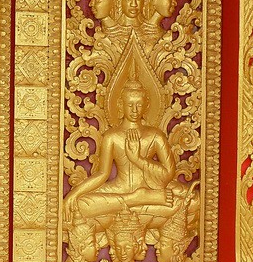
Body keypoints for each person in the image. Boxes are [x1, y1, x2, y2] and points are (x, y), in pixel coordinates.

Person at [64, 79, 179, 231]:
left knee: (193, 201)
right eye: (130, 105)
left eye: (139, 105)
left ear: (146, 106)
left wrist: (138, 159)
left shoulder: (155, 136)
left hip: (148, 188)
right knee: (80, 204)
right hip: (120, 189)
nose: (134, 110)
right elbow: (102, 174)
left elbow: (168, 174)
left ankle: (139, 199)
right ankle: (136, 199)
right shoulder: (112, 136)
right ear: (120, 105)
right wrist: (74, 193)